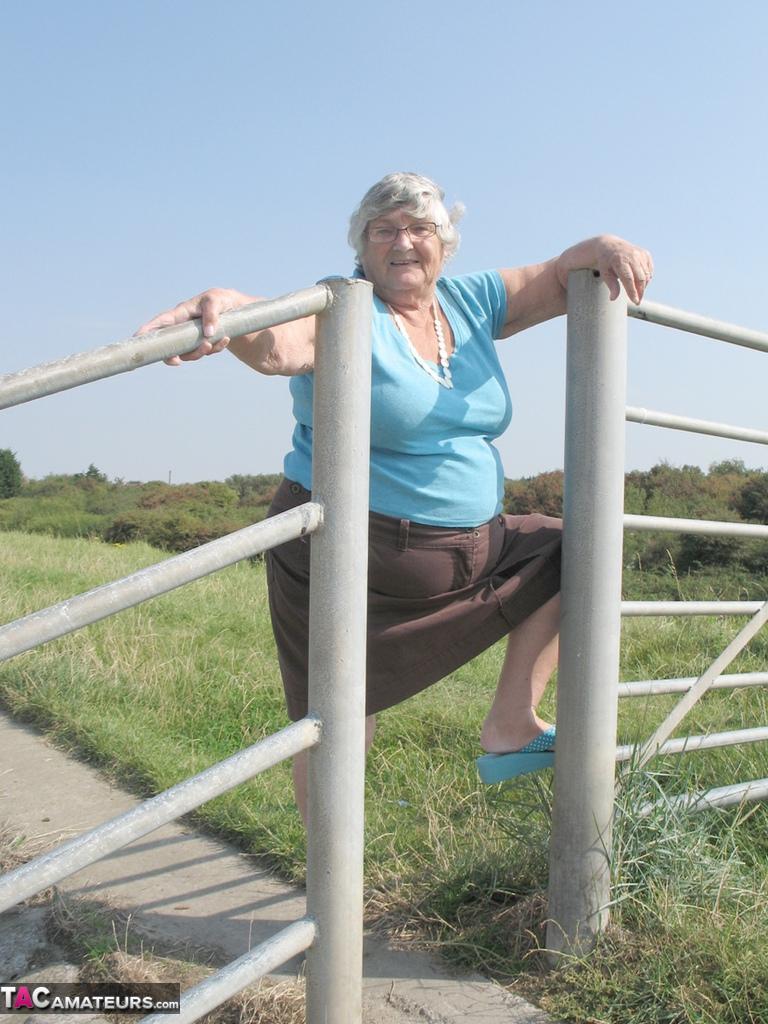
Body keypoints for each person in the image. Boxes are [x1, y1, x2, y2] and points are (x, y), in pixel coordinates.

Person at [137, 172, 653, 821]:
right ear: (362, 244)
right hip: (348, 554)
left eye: (421, 228)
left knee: (567, 548)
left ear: (445, 243)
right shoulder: (344, 307)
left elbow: (557, 276)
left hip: (469, 549)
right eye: (386, 229)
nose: (404, 241)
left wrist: (602, 244)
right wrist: (228, 311)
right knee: (343, 719)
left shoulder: (469, 302)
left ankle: (511, 723)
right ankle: (326, 891)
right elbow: (279, 343)